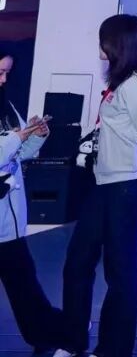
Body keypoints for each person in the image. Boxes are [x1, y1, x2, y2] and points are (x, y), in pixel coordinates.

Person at [54, 15, 137, 357]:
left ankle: (113, 349)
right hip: (106, 183)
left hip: (125, 186)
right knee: (79, 262)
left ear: (117, 44)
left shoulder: (134, 86)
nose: (100, 47)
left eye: (104, 40)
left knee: (120, 271)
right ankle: (73, 340)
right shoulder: (125, 83)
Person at [0, 50, 63, 353]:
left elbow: (20, 154)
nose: (3, 79)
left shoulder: (7, 106)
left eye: (6, 73)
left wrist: (35, 135)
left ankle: (49, 334)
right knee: (23, 282)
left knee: (24, 282)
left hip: (8, 221)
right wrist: (17, 137)